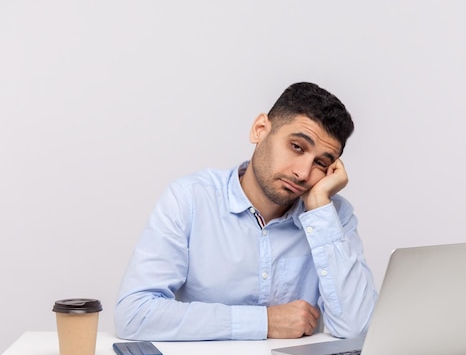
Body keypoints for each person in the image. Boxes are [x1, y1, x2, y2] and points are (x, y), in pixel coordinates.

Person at [114, 81, 378, 341]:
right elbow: (134, 314)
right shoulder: (190, 199)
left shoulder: (331, 215)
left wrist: (320, 208)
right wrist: (265, 321)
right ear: (260, 129)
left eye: (320, 163)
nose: (302, 173)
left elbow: (358, 329)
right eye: (296, 147)